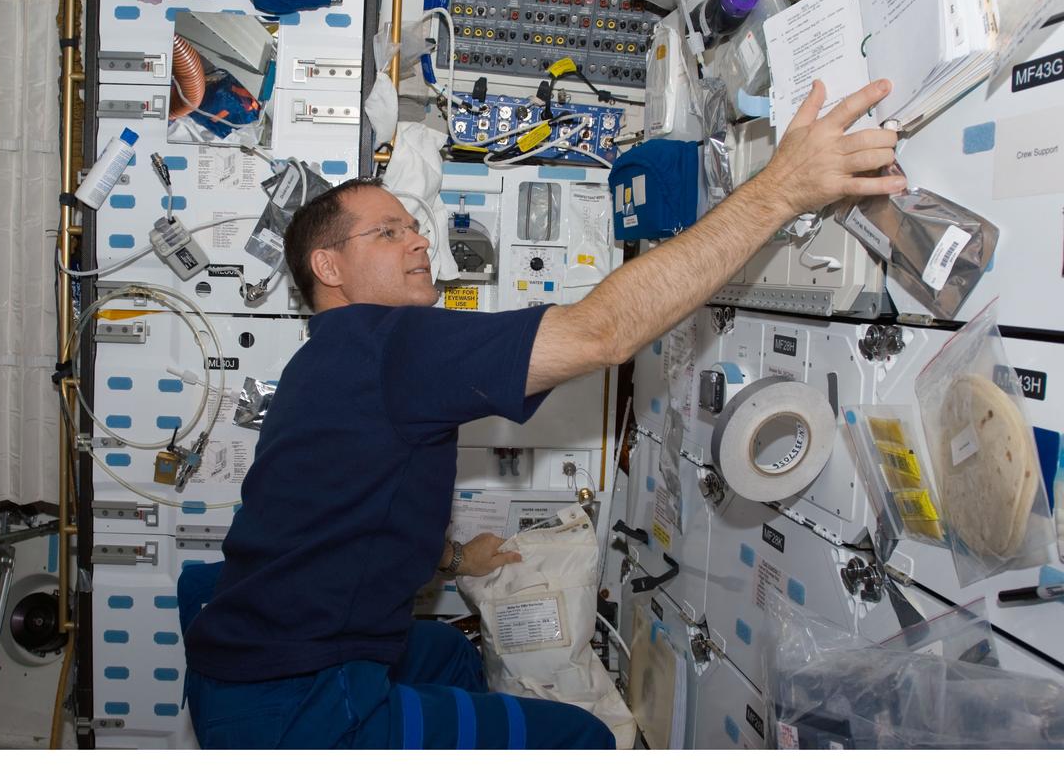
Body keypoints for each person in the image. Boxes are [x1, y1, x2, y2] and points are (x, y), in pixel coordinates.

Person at [181, 80, 904, 749]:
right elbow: (602, 334)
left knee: (448, 654)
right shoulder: (385, 344)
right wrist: (782, 190)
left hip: (244, 657)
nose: (421, 241)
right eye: (389, 233)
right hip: (295, 704)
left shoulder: (326, 360)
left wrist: (458, 560)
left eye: (414, 226)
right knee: (580, 743)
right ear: (328, 268)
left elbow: (341, 511)